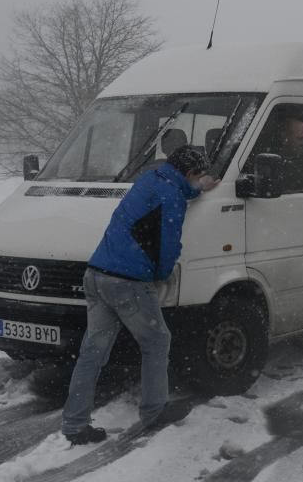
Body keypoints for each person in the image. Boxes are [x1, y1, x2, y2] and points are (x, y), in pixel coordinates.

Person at [61, 145, 219, 445]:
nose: (198, 181)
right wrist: (161, 274)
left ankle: (75, 423)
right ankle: (154, 410)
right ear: (188, 173)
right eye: (197, 176)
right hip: (128, 281)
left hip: (96, 274)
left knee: (92, 353)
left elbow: (168, 195)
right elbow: (168, 244)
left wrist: (197, 189)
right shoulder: (173, 196)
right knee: (157, 340)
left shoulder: (149, 180)